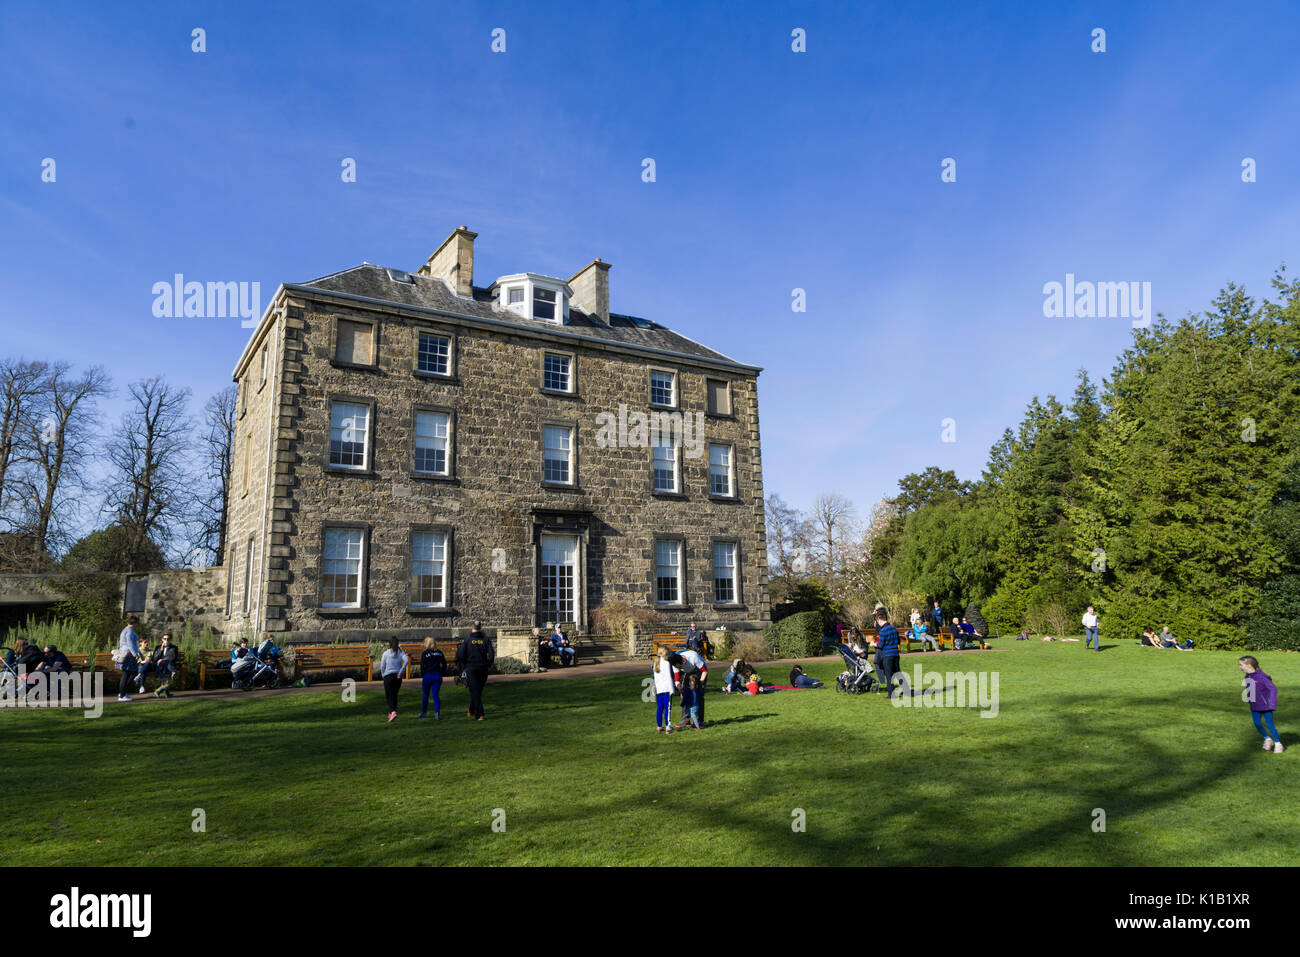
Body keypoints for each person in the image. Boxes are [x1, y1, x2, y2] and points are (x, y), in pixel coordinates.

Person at [1239, 656, 1284, 754]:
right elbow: (1250, 689)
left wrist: (1271, 703)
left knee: (1269, 724)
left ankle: (1278, 744)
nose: (1240, 667)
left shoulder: (1262, 676)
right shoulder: (1247, 677)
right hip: (1255, 705)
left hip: (1266, 705)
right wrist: (1248, 697)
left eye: (1241, 665)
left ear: (1249, 665)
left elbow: (1273, 689)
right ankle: (1268, 739)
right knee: (1257, 724)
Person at [456, 621, 494, 720]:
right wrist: (488, 664)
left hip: (471, 668)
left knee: (475, 691)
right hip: (483, 668)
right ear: (480, 627)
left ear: (471, 627)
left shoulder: (467, 640)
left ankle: (480, 714)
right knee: (478, 691)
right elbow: (491, 654)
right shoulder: (485, 639)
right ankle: (471, 710)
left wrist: (463, 666)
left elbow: (460, 655)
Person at [674, 645, 708, 725]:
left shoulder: (693, 657)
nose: (680, 668)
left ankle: (700, 720)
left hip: (700, 670)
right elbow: (676, 680)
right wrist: (680, 689)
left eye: (681, 667)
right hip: (689, 672)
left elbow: (704, 671)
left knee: (699, 695)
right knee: (684, 694)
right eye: (679, 668)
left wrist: (700, 683)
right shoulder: (675, 663)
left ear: (683, 661)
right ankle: (685, 720)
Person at [379, 637, 408, 723]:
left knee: (389, 695)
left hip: (388, 676)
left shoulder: (386, 653)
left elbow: (382, 666)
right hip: (397, 676)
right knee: (394, 695)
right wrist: (401, 671)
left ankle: (392, 711)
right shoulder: (401, 653)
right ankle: (391, 713)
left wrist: (383, 676)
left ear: (390, 644)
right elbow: (406, 661)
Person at [874, 608, 901, 698]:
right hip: (895, 654)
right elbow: (898, 641)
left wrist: (873, 644)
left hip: (887, 655)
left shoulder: (882, 631)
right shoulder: (894, 629)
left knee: (889, 675)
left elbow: (880, 645)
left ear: (879, 619)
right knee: (898, 673)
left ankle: (891, 694)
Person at [418, 637, 446, 719]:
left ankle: (424, 712)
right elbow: (444, 664)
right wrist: (441, 672)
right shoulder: (440, 653)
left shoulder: (425, 653)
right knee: (436, 695)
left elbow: (422, 666)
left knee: (425, 695)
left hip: (428, 675)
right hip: (437, 675)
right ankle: (437, 713)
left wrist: (423, 674)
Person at [116, 615, 142, 702]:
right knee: (128, 674)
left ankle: (123, 692)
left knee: (128, 673)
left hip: (125, 653)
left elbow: (134, 639)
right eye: (137, 623)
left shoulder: (125, 630)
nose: (137, 625)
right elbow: (130, 644)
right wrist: (135, 654)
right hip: (129, 655)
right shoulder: (129, 632)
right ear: (134, 623)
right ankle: (122, 695)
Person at [652, 647, 676, 733]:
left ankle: (659, 726)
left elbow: (655, 678)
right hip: (666, 689)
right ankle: (668, 727)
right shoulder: (666, 663)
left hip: (659, 689)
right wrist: (672, 689)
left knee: (660, 708)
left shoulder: (655, 662)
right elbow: (669, 677)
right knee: (667, 708)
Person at [151, 633, 178, 698]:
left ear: (170, 640)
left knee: (166, 663)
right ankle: (174, 672)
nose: (166, 640)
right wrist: (161, 650)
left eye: (168, 639)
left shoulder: (173, 647)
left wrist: (162, 660)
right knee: (164, 666)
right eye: (164, 639)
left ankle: (166, 693)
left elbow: (172, 657)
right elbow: (154, 659)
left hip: (167, 665)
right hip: (159, 666)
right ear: (162, 639)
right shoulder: (158, 647)